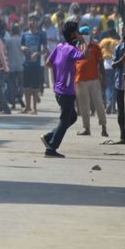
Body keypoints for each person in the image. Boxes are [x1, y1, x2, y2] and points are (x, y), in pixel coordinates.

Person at [40, 21, 89, 158]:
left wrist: (61, 70)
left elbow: (48, 63)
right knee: (64, 120)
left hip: (58, 89)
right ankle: (51, 148)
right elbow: (86, 55)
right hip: (67, 91)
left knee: (71, 117)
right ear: (74, 33)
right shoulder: (72, 50)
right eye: (77, 31)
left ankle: (49, 137)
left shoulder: (60, 46)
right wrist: (83, 40)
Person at [75, 26, 107, 137]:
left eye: (86, 33)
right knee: (84, 106)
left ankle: (104, 127)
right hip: (80, 80)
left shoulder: (96, 47)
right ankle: (86, 128)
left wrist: (104, 79)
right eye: (82, 33)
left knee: (99, 103)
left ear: (89, 35)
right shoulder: (76, 47)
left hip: (94, 80)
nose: (84, 35)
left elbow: (101, 64)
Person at [20, 15, 48, 114]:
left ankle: (34, 108)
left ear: (37, 23)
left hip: (36, 65)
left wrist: (38, 53)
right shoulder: (24, 35)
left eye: (34, 21)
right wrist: (22, 48)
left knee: (35, 88)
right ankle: (27, 107)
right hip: (26, 64)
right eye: (30, 21)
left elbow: (46, 50)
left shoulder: (41, 35)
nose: (32, 23)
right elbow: (21, 45)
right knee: (26, 87)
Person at [99, 21, 120, 114]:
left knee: (108, 86)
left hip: (105, 65)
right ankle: (113, 105)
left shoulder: (103, 41)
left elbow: (99, 51)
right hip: (115, 65)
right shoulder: (117, 42)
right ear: (115, 33)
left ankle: (108, 102)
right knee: (115, 86)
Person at [110, 25, 125, 144]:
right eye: (123, 31)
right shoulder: (118, 47)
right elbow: (113, 65)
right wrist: (122, 59)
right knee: (121, 112)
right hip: (120, 84)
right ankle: (122, 136)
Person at [5, 24, 25, 110]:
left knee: (12, 85)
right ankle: (20, 96)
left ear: (11, 31)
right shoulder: (22, 39)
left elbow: (7, 52)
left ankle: (13, 103)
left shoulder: (8, 40)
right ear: (19, 31)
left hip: (11, 64)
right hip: (21, 64)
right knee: (21, 83)